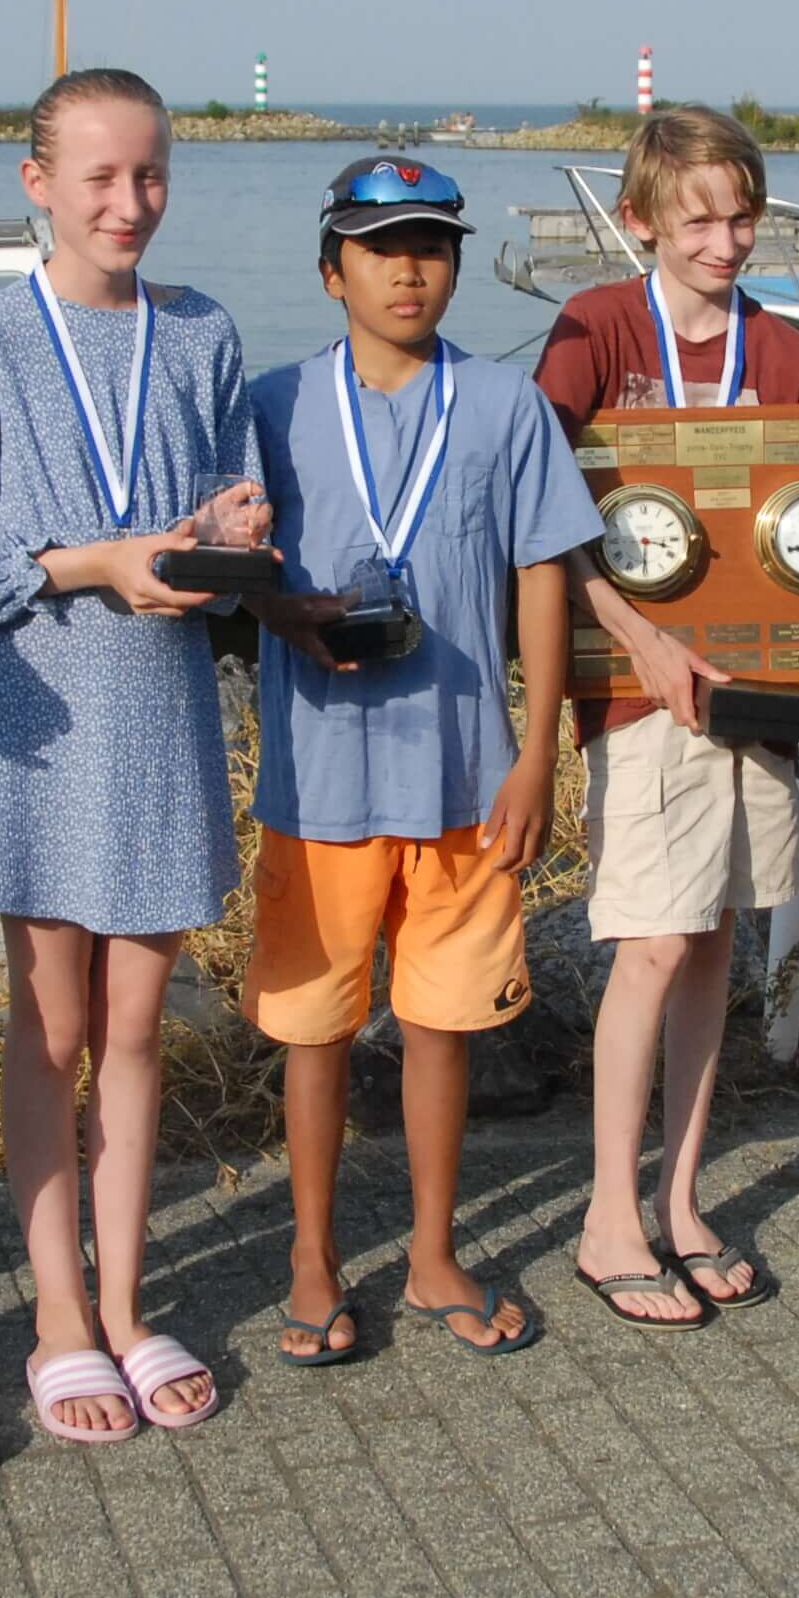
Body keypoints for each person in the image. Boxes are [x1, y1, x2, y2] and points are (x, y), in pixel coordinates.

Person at [0, 69, 256, 1444]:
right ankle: (58, 1315)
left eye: (150, 174)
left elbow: (224, 509)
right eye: (101, 177)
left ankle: (125, 1304)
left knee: (134, 1029)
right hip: (41, 712)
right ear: (37, 184)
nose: (129, 202)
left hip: (163, 709)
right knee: (51, 1028)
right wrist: (89, 563)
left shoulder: (202, 329)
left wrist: (227, 534)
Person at [242, 158, 601, 1361]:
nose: (408, 271)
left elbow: (540, 577)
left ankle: (434, 1248)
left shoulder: (503, 405)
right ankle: (311, 1257)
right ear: (330, 271)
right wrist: (281, 609)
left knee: (443, 1025)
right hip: (318, 781)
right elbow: (237, 572)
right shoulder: (273, 405)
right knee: (314, 1030)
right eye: (380, 248)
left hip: (463, 777)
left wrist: (536, 753)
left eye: (431, 248)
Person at [533, 106, 799, 1324]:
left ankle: (678, 1199)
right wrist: (635, 636)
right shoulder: (593, 330)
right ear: (640, 221)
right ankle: (605, 1216)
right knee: (651, 941)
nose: (725, 241)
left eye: (742, 217)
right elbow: (542, 512)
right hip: (640, 692)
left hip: (762, 699)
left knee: (717, 937)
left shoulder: (785, 356)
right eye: (698, 220)